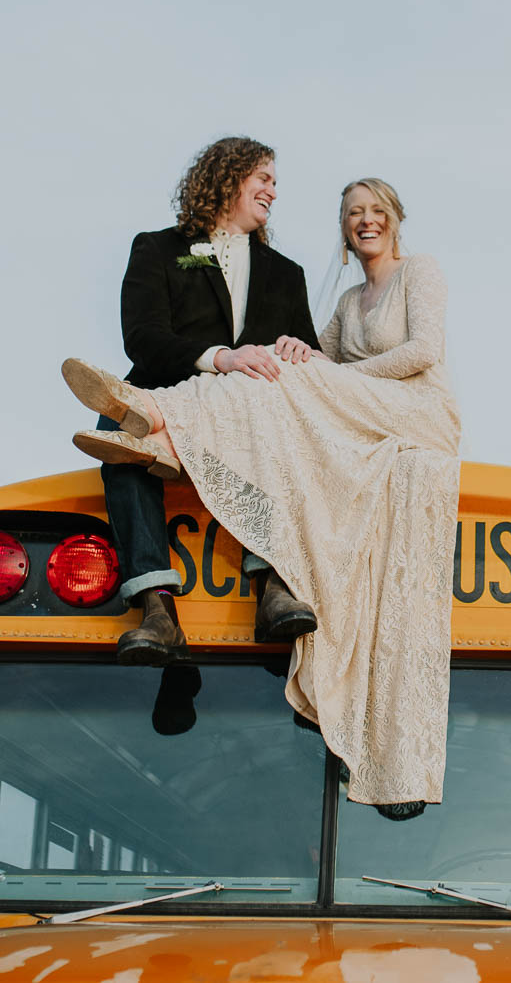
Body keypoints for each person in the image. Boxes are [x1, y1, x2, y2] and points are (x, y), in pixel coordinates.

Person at [64, 178, 460, 815]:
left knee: (277, 387)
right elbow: (305, 352)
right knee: (268, 379)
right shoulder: (348, 301)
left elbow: (422, 352)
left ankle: (158, 427)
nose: (365, 221)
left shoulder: (420, 273)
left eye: (376, 211)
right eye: (354, 213)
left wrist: (318, 375)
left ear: (395, 219)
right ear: (343, 226)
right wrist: (296, 358)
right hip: (337, 403)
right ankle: (152, 424)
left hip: (413, 409)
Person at [95, 137, 321, 666]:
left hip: (250, 410)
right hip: (170, 392)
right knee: (117, 428)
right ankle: (156, 609)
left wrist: (299, 348)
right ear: (227, 177)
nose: (271, 190)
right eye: (263, 178)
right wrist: (221, 357)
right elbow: (142, 337)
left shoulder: (287, 273)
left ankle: (273, 587)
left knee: (275, 419)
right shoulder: (158, 248)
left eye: (274, 183)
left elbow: (308, 349)